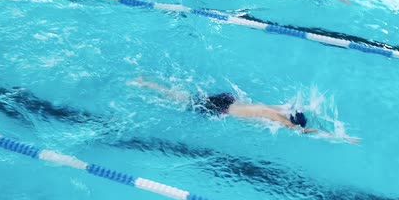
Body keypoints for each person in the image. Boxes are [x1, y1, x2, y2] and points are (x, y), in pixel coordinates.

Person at [131, 77, 318, 133]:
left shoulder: (278, 109)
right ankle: (147, 84)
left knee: (185, 97)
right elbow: (295, 128)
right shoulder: (274, 116)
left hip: (229, 100)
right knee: (181, 100)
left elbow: (288, 111)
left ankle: (148, 83)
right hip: (222, 109)